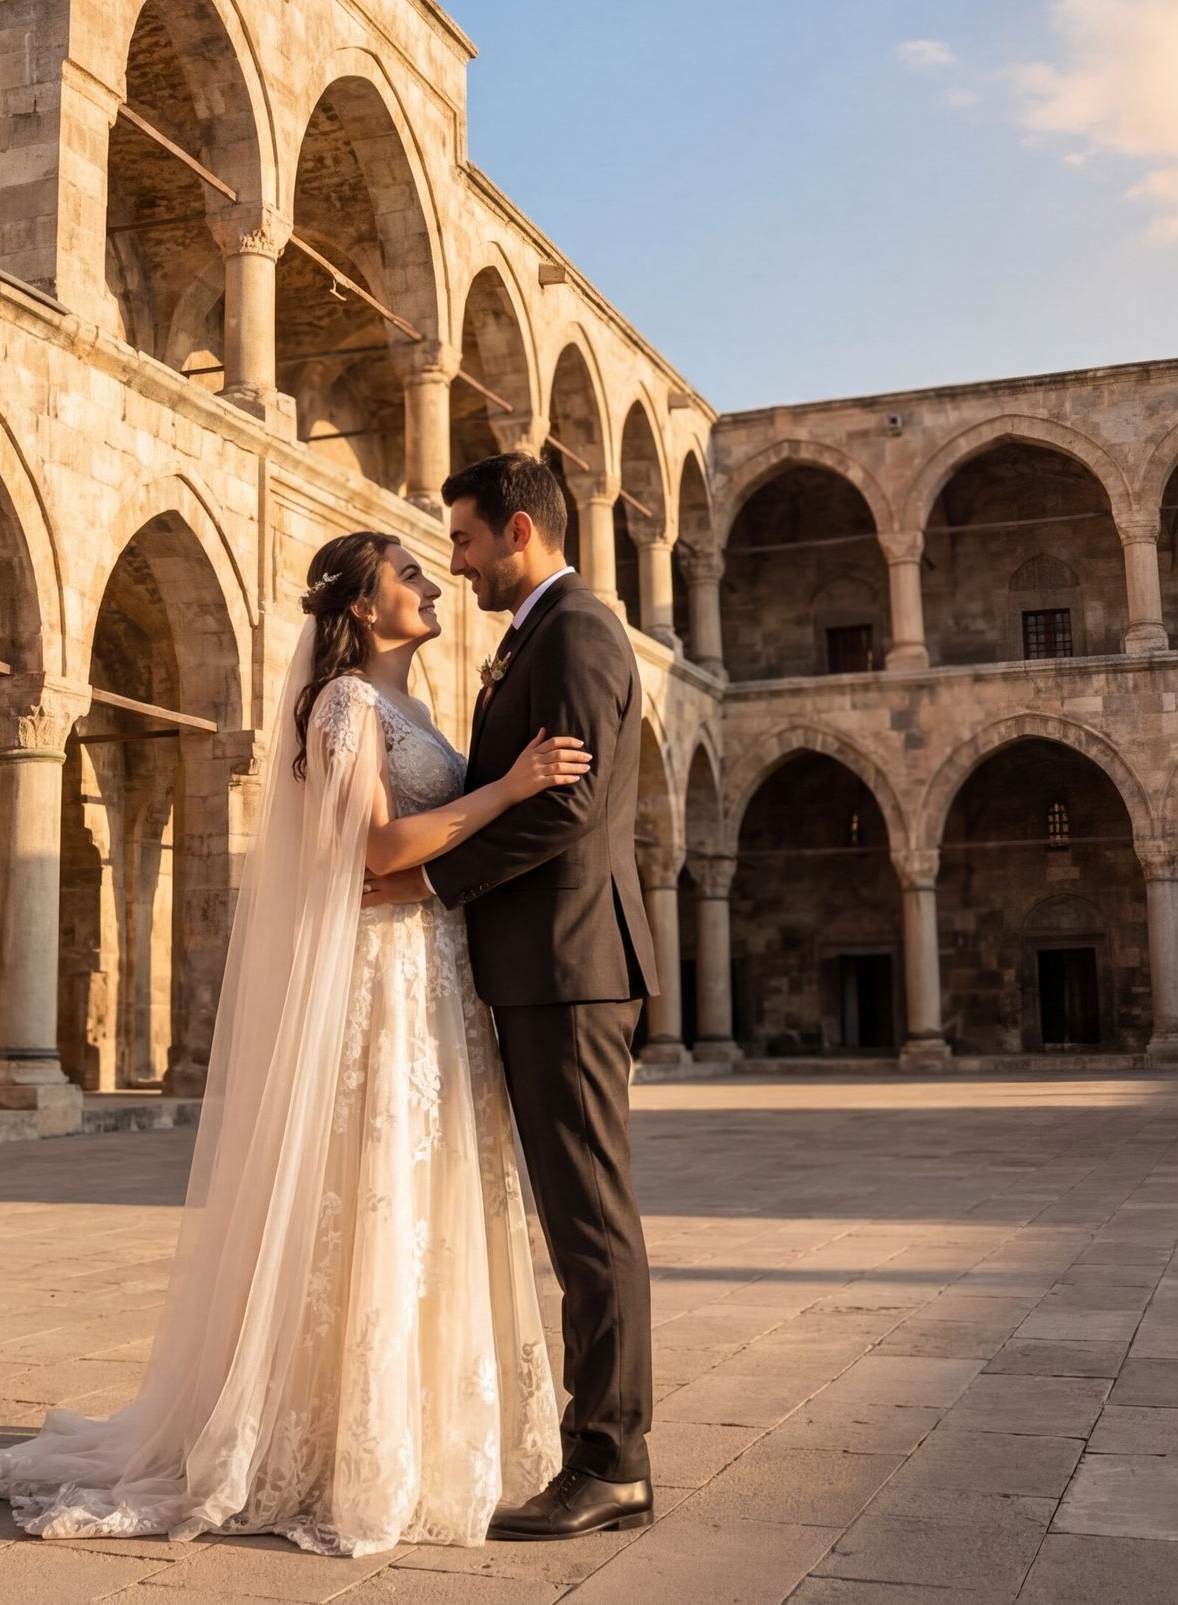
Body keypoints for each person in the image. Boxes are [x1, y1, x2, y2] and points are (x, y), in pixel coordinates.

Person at [0, 530, 589, 1555]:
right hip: (381, 977)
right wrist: (509, 788)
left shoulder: (407, 707)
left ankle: (409, 1429)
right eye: (407, 572)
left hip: (431, 973)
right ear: (362, 610)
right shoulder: (345, 704)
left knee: (423, 1187)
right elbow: (371, 849)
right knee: (371, 1189)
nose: (429, 579)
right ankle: (332, 1439)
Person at [368, 450, 658, 1540]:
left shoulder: (576, 630)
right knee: (575, 1213)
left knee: (589, 1220)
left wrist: (433, 878)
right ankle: (603, 1447)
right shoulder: (539, 633)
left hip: (571, 967)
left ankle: (611, 1459)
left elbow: (569, 811)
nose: (458, 562)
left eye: (465, 540)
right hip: (546, 967)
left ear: (519, 534)